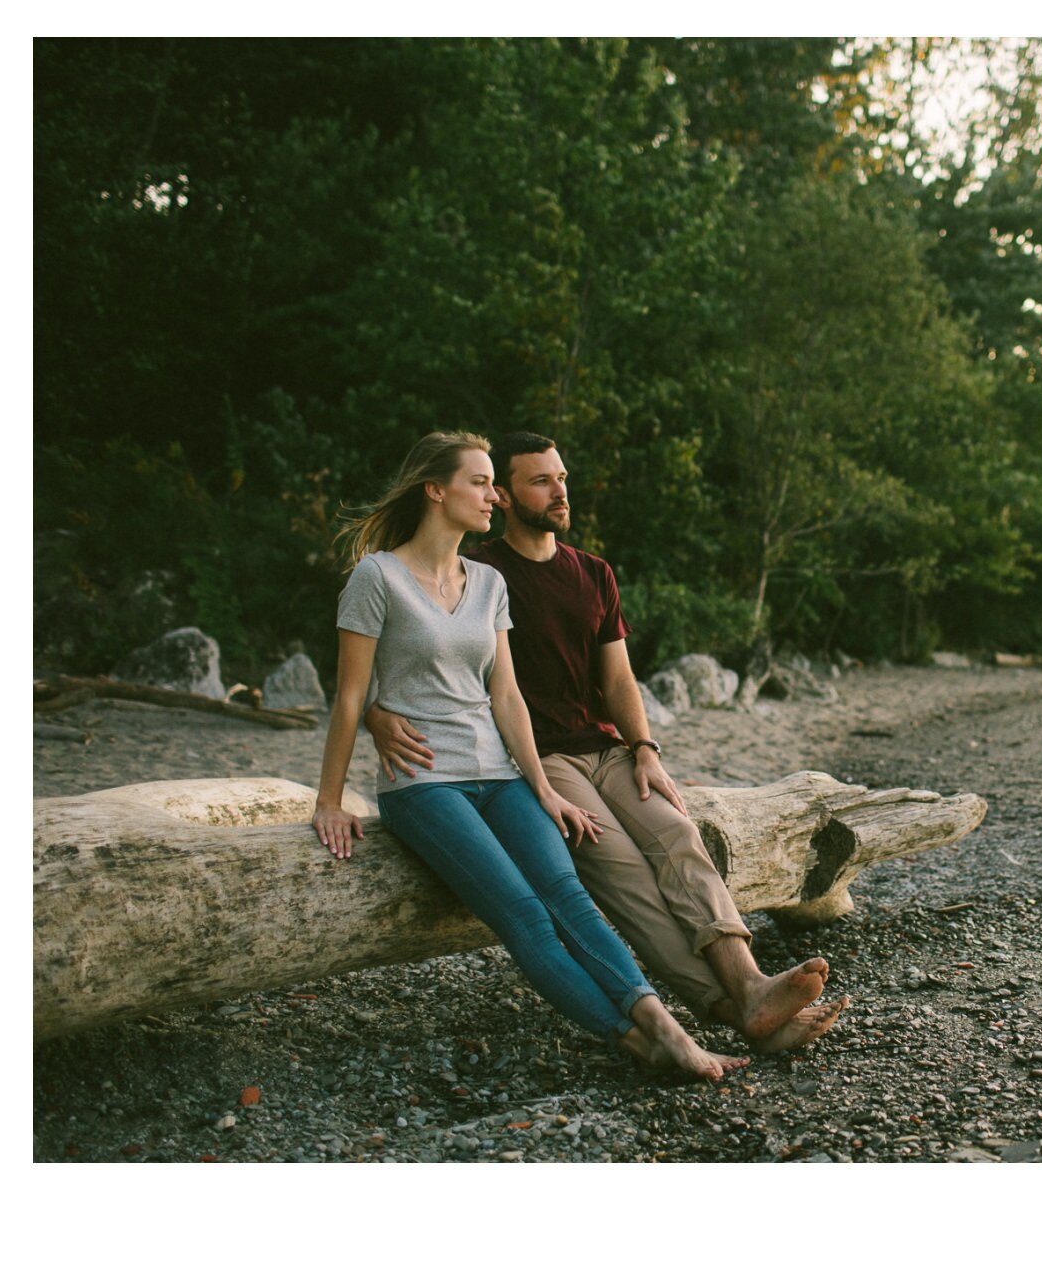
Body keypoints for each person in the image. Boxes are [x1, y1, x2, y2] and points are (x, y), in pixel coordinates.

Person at [366, 432, 849, 1054]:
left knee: (679, 835)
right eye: (540, 481)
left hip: (606, 749)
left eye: (561, 476)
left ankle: (751, 986)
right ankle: (732, 1010)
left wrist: (644, 747)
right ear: (506, 497)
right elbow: (419, 653)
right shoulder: (479, 571)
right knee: (626, 876)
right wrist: (378, 713)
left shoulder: (593, 572)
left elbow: (617, 678)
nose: (559, 489)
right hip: (537, 758)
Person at [311, 430, 747, 1082]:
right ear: (437, 490)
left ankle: (666, 1025)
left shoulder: (487, 583)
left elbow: (507, 696)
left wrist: (542, 789)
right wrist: (329, 799)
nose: (494, 496)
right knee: (523, 915)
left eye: (494, 483)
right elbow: (350, 699)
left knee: (570, 897)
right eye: (480, 483)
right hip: (425, 784)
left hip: (502, 774)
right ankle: (636, 1040)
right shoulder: (377, 577)